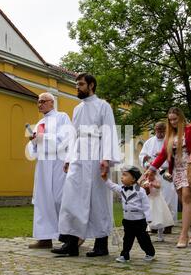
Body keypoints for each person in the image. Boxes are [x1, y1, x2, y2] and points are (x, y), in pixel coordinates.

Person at [52, 73, 121, 257]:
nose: (78, 87)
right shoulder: (77, 109)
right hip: (78, 157)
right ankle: (71, 243)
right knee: (71, 198)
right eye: (77, 84)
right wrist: (68, 159)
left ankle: (101, 244)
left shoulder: (103, 106)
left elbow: (108, 132)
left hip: (96, 155)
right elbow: (73, 134)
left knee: (98, 199)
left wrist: (106, 158)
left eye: (81, 84)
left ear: (91, 85)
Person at [144, 107, 191, 248]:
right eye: (170, 120)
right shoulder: (170, 135)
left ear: (181, 118)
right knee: (187, 201)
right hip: (177, 171)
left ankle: (183, 235)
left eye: (175, 119)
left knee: (186, 197)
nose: (173, 122)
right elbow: (162, 155)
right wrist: (151, 169)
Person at [26, 92, 72, 249]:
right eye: (38, 102)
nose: (40, 104)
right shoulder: (39, 123)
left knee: (60, 199)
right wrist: (32, 141)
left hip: (58, 163)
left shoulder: (62, 117)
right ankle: (45, 237)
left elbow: (66, 138)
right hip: (43, 166)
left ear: (52, 102)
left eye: (43, 101)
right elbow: (32, 149)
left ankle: (72, 236)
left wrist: (43, 138)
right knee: (42, 200)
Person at [102, 166, 155, 263]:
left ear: (133, 179)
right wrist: (105, 179)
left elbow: (146, 205)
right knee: (127, 239)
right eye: (122, 175)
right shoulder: (122, 189)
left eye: (125, 175)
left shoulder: (140, 191)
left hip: (139, 221)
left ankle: (150, 252)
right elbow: (113, 186)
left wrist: (148, 217)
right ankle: (125, 255)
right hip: (127, 220)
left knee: (143, 238)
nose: (122, 177)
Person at [139, 121, 178, 231]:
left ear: (165, 130)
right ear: (155, 130)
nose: (160, 133)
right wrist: (146, 161)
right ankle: (154, 224)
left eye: (162, 131)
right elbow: (142, 156)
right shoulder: (149, 142)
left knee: (168, 198)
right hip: (153, 174)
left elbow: (175, 156)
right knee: (154, 201)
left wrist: (163, 157)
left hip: (167, 172)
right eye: (158, 131)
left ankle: (168, 224)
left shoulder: (170, 141)